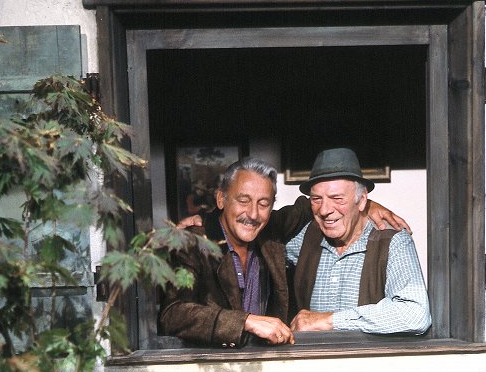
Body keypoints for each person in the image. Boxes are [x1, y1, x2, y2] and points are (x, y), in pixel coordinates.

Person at [159, 156, 409, 348]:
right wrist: (245, 321)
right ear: (222, 199)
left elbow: (310, 206)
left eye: (264, 203)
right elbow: (173, 314)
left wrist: (364, 205)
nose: (253, 214)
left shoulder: (270, 230)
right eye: (243, 200)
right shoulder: (191, 244)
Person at [287, 147, 431, 334]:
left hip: (368, 362)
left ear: (362, 201)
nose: (324, 210)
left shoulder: (393, 241)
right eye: (316, 199)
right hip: (310, 360)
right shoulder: (306, 236)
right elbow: (261, 252)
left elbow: (415, 314)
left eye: (337, 198)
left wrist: (331, 321)